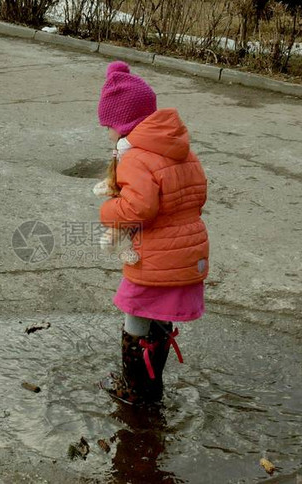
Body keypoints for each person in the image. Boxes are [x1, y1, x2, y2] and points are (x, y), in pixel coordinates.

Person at [95, 61, 209, 405]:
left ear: (122, 123)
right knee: (161, 314)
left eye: (110, 127)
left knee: (135, 313)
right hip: (188, 250)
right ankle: (152, 382)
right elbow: (198, 194)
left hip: (154, 255)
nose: (110, 134)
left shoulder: (136, 157)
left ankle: (135, 390)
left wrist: (107, 211)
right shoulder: (181, 148)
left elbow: (139, 208)